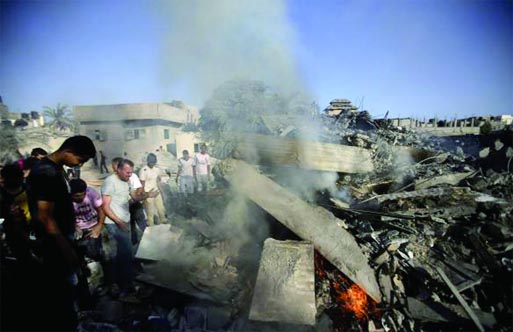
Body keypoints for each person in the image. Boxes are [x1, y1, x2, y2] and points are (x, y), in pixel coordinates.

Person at [27, 135, 96, 331]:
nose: (79, 164)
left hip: (62, 238)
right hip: (53, 244)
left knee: (70, 289)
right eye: (80, 159)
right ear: (68, 151)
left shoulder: (56, 169)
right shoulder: (45, 172)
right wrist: (67, 249)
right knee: (61, 294)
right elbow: (44, 216)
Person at [101, 158, 137, 300]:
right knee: (115, 256)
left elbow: (126, 200)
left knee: (126, 254)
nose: (130, 175)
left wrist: (141, 196)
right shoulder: (110, 182)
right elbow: (105, 206)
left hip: (124, 222)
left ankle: (126, 283)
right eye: (127, 172)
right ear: (119, 169)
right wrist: (118, 221)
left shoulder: (126, 180)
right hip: (113, 224)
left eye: (131, 173)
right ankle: (115, 285)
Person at [70, 178, 105, 309]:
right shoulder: (66, 199)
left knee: (99, 255)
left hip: (93, 226)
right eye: (76, 196)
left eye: (82, 195)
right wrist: (74, 226)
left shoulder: (92, 193)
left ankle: (105, 283)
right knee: (79, 261)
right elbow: (66, 215)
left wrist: (99, 226)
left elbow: (101, 210)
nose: (80, 198)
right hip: (78, 229)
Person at [139, 153, 167, 226]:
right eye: (151, 162)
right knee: (150, 213)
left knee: (161, 209)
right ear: (148, 161)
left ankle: (163, 223)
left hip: (156, 192)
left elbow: (157, 181)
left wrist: (162, 192)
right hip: (148, 193)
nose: (152, 164)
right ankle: (151, 227)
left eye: (154, 162)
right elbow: (141, 184)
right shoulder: (143, 170)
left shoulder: (156, 169)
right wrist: (143, 196)